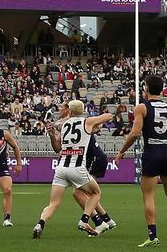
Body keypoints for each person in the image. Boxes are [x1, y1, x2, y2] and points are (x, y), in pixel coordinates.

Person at [114, 74, 167, 247]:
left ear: (147, 88)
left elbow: (135, 133)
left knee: (149, 196)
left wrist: (122, 151)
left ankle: (152, 236)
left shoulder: (141, 108)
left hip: (152, 152)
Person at [32, 99, 112, 239]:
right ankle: (85, 220)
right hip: (77, 167)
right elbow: (109, 116)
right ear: (83, 111)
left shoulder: (65, 125)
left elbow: (57, 148)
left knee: (53, 203)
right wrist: (95, 120)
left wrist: (52, 135)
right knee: (95, 193)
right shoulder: (86, 122)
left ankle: (40, 223)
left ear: (69, 111)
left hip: (61, 168)